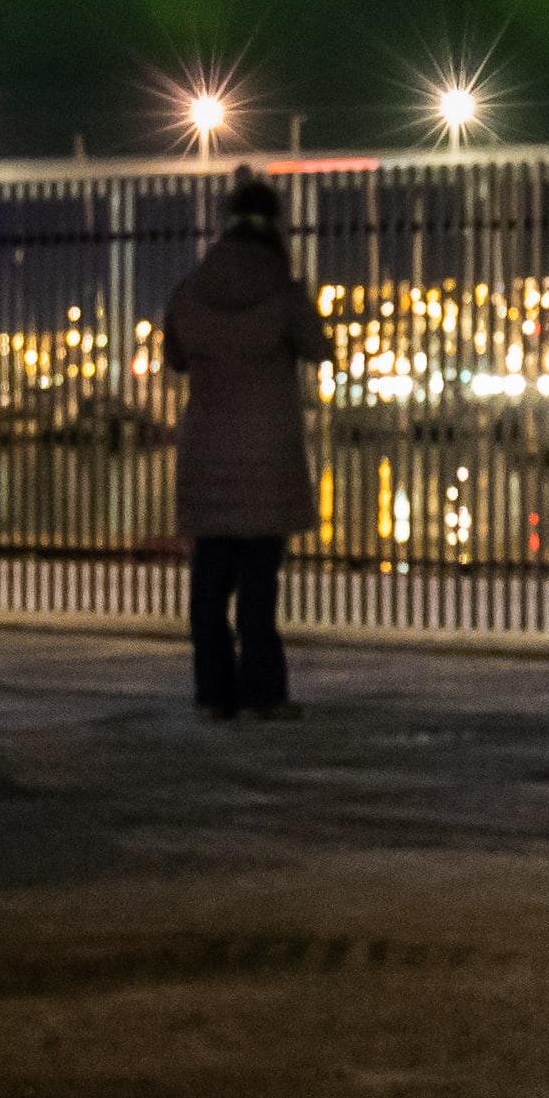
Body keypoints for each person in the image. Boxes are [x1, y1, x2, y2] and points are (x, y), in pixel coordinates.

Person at [161, 166, 330, 721]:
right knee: (260, 588)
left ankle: (214, 695)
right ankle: (264, 693)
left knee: (209, 588)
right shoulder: (282, 292)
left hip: (207, 455)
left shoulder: (190, 291)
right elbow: (319, 349)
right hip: (268, 458)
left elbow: (175, 357)